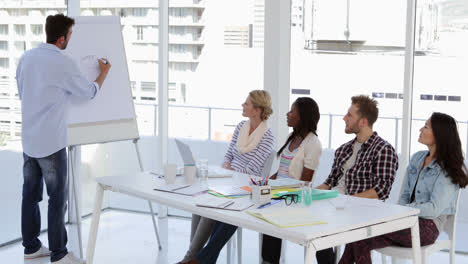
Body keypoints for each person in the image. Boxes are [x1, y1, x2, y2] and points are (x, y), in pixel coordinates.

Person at [16, 14, 111, 264]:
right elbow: (88, 92)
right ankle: (59, 254)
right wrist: (103, 73)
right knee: (57, 200)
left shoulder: (26, 58)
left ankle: (31, 247)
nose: (71, 38)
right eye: (70, 35)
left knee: (30, 196)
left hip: (29, 141)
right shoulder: (63, 63)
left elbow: (22, 91)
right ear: (61, 39)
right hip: (51, 142)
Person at [339, 112, 468, 264]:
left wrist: (404, 211)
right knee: (358, 236)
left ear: (439, 134)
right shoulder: (417, 158)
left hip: (428, 226)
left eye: (425, 127)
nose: (420, 130)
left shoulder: (447, 169)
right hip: (404, 220)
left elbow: (434, 208)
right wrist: (401, 213)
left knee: (360, 236)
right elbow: (404, 196)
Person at [178, 90, 275, 264]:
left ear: (257, 110)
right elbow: (228, 155)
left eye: (247, 103)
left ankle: (189, 259)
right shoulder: (240, 127)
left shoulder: (268, 138)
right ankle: (193, 257)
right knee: (199, 204)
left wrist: (231, 169)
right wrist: (227, 167)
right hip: (229, 181)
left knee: (210, 206)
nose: (243, 105)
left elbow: (251, 171)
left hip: (244, 188)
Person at [314, 95, 399, 263]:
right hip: (333, 205)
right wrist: (309, 193)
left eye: (349, 115)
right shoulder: (343, 150)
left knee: (318, 230)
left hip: (359, 211)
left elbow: (382, 190)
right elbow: (330, 182)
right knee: (310, 226)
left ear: (363, 122)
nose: (344, 118)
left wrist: (346, 201)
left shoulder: (383, 150)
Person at [261, 97, 323, 263]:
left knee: (270, 213)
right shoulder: (291, 136)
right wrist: (267, 182)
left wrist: (276, 190)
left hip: (292, 197)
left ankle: (269, 260)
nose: (288, 114)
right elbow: (282, 171)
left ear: (302, 116)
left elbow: (305, 184)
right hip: (278, 192)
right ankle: (268, 259)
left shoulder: (313, 143)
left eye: (292, 111)